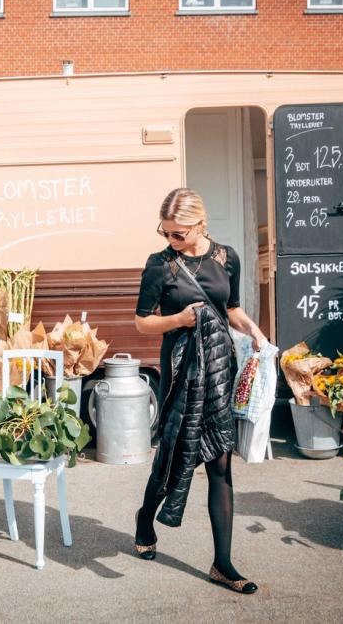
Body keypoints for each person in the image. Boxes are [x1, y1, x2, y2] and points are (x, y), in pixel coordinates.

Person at [133, 187, 265, 595]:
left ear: (200, 224)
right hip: (181, 373)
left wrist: (255, 331)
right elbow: (142, 322)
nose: (171, 241)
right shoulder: (161, 265)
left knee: (220, 464)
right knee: (173, 458)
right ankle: (144, 519)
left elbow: (232, 309)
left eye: (179, 233)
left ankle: (222, 564)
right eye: (166, 232)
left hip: (219, 372)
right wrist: (179, 320)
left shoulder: (227, 258)